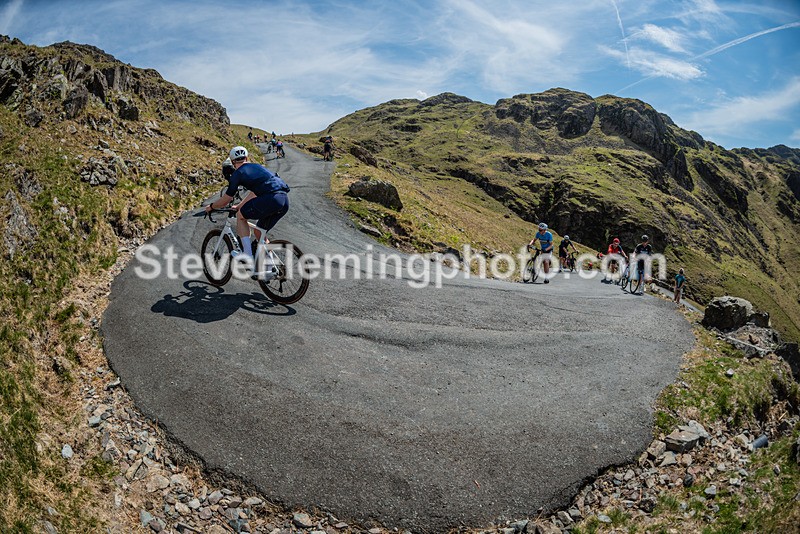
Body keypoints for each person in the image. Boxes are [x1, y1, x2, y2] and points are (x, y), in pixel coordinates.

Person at [205, 146, 290, 268]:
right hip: (284, 200)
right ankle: (271, 268)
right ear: (246, 158)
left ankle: (247, 256)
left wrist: (212, 207)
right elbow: (254, 192)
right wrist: (240, 205)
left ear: (233, 162)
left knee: (241, 216)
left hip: (271, 198)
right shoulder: (258, 167)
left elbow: (226, 199)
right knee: (259, 232)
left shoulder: (238, 173)